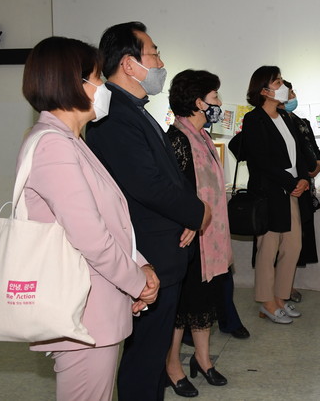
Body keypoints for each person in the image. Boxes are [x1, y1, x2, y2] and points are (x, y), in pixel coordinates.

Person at [19, 36, 160, 400]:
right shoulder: (53, 145)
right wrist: (137, 282)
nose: (104, 87)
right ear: (73, 83)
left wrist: (141, 266)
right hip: (84, 312)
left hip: (96, 304)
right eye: (98, 78)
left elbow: (110, 221)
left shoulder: (71, 140)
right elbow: (91, 237)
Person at [86, 22, 209, 401]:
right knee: (144, 358)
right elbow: (147, 185)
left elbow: (169, 178)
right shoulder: (113, 115)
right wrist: (197, 213)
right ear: (129, 63)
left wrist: (187, 216)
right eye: (154, 53)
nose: (160, 63)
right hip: (147, 256)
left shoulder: (134, 110)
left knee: (154, 356)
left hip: (164, 249)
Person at [165, 69, 248, 397]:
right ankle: (172, 365)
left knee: (202, 302)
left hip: (208, 236)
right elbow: (172, 192)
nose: (219, 103)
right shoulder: (177, 139)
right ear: (199, 102)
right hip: (187, 237)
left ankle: (203, 359)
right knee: (181, 308)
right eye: (215, 97)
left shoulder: (202, 137)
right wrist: (187, 221)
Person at [229, 65, 310, 324]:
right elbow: (261, 161)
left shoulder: (285, 116)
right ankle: (266, 302)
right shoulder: (254, 119)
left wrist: (304, 178)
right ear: (264, 90)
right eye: (278, 82)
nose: (283, 86)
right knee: (268, 248)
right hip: (269, 192)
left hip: (291, 190)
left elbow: (299, 154)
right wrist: (292, 181)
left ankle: (281, 297)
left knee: (293, 245)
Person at [281, 82, 320, 302]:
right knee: (279, 243)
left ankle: (288, 286)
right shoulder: (268, 122)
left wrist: (315, 167)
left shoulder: (302, 123)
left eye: (293, 92)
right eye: (289, 92)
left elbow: (314, 152)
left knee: (298, 241)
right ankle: (278, 290)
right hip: (282, 190)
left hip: (304, 189)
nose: (293, 96)